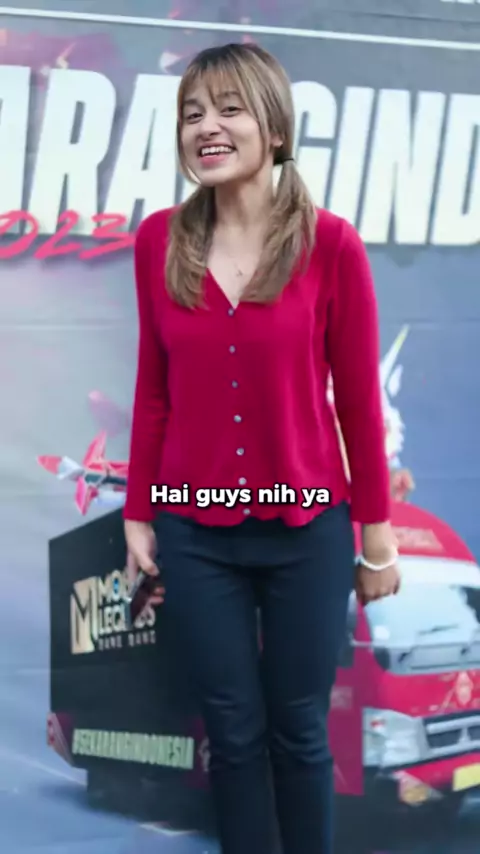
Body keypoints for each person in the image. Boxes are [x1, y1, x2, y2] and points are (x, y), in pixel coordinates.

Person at [123, 41, 401, 854]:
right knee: (232, 734)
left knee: (299, 730)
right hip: (195, 532)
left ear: (275, 129)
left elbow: (359, 403)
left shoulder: (332, 245)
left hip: (308, 531)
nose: (206, 128)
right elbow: (153, 390)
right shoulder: (157, 242)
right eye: (192, 114)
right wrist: (140, 512)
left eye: (229, 109)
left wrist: (377, 540)